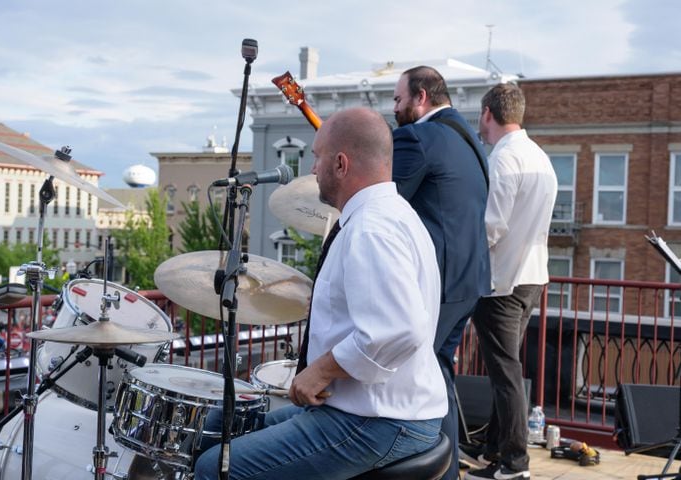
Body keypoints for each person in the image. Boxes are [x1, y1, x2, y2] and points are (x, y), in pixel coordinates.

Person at [195, 107, 447, 480]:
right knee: (217, 429)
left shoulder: (371, 229)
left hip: (379, 420)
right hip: (371, 409)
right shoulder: (393, 213)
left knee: (213, 467)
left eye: (317, 157)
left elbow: (399, 329)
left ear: (341, 164)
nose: (313, 169)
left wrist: (320, 371)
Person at [392, 65, 491, 480]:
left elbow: (383, 201)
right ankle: (445, 472)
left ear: (421, 97)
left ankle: (406, 462)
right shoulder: (469, 140)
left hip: (440, 283)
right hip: (470, 279)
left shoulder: (420, 136)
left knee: (407, 374)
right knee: (438, 372)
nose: (394, 108)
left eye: (398, 99)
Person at [464, 83, 558, 480]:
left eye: (481, 118)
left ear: (488, 113)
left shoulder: (502, 159)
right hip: (532, 277)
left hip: (502, 281)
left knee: (505, 374)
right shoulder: (540, 157)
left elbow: (491, 227)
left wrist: (459, 262)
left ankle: (515, 464)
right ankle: (494, 450)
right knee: (508, 370)